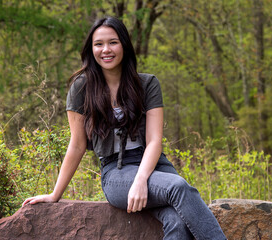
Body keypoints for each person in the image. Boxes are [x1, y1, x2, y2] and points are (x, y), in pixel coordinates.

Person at [22, 16, 226, 240]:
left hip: (155, 166)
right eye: (98, 44)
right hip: (116, 172)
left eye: (113, 42)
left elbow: (154, 140)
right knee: (178, 186)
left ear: (124, 46)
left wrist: (141, 180)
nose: (105, 49)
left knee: (177, 221)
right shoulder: (81, 88)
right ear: (91, 50)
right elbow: (77, 144)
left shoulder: (147, 84)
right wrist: (55, 194)